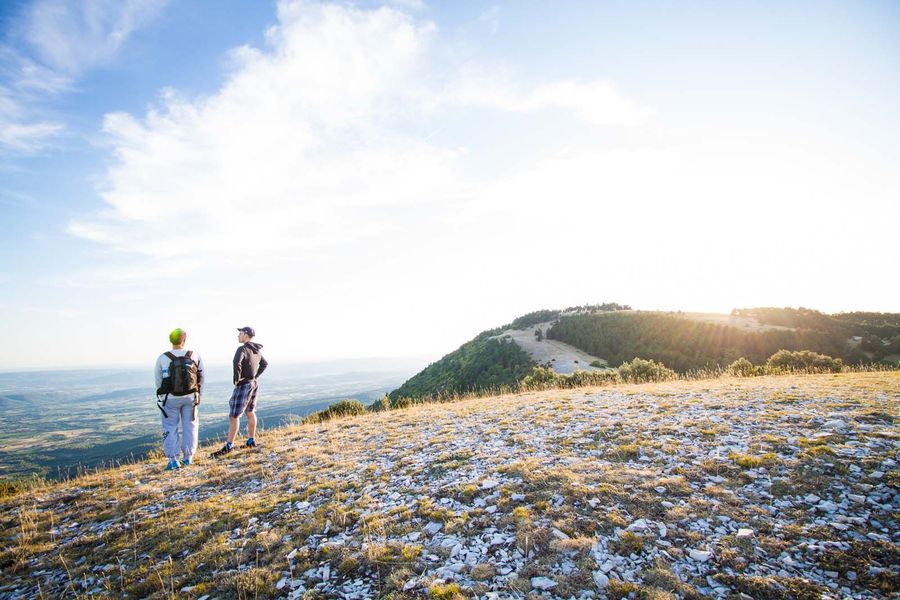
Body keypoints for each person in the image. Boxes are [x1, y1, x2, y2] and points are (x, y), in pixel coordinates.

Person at [212, 326, 268, 457]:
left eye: (240, 333)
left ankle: (229, 445)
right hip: (253, 383)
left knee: (234, 416)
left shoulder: (242, 349)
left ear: (246, 335)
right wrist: (255, 376)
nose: (238, 336)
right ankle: (251, 440)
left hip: (244, 384)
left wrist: (237, 379)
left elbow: (237, 362)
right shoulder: (256, 350)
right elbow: (265, 364)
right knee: (250, 412)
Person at [154, 328, 204, 470]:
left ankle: (173, 460)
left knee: (170, 426)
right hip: (191, 397)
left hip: (170, 398)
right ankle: (188, 457)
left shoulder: (163, 358)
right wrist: (199, 394)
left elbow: (158, 380)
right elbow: (202, 376)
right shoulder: (194, 355)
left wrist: (163, 395)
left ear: (171, 340)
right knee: (191, 426)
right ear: (184, 338)